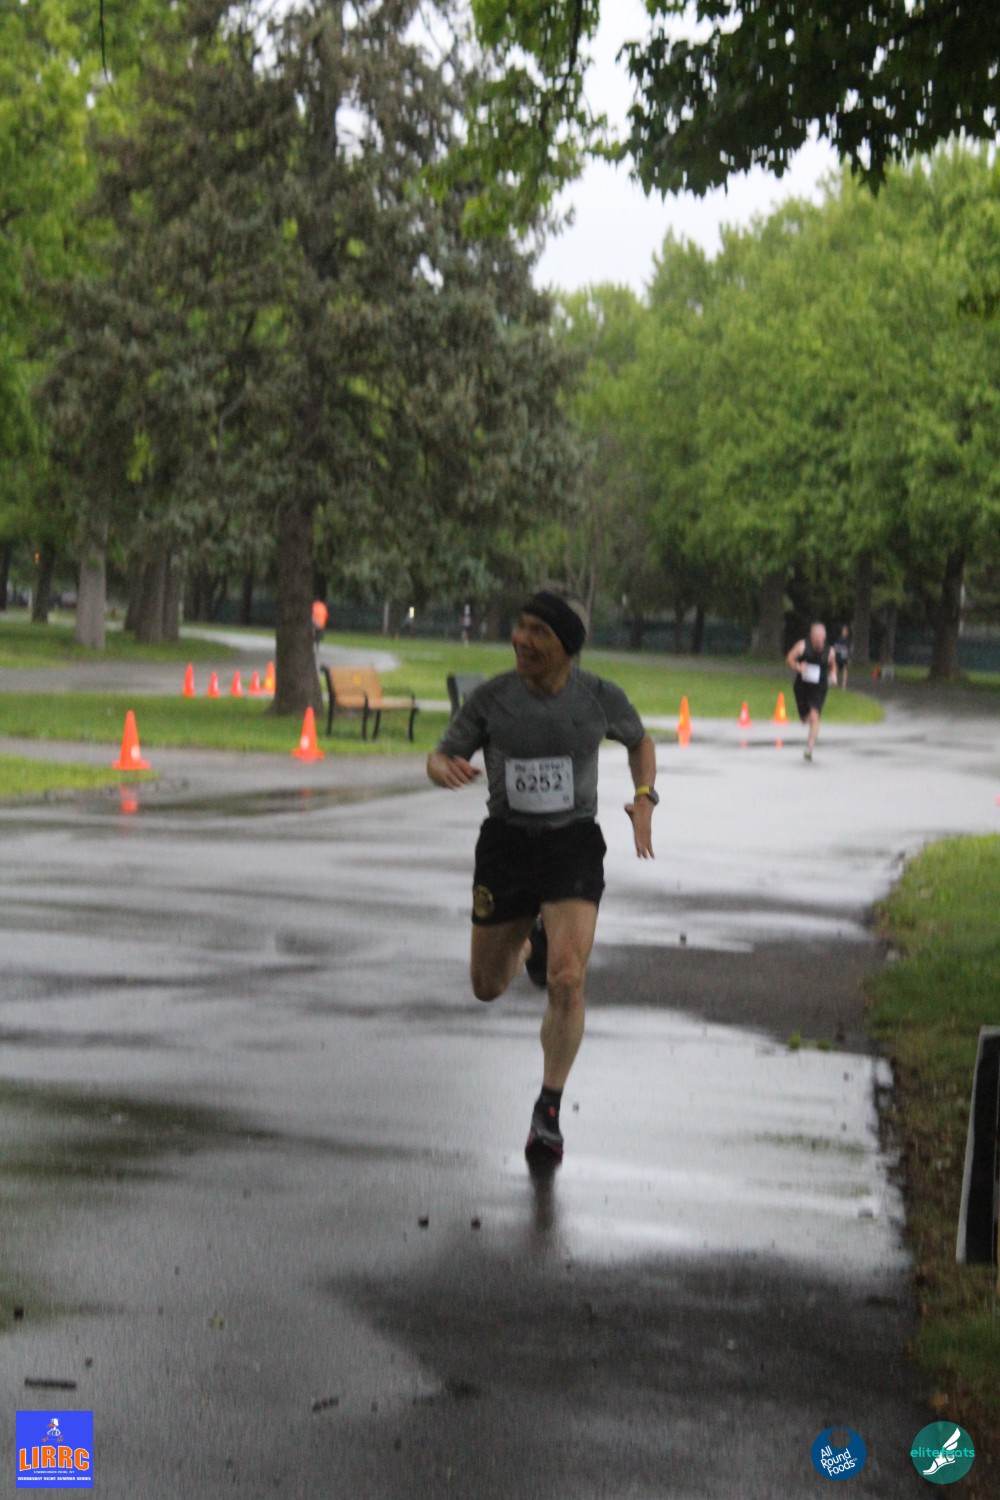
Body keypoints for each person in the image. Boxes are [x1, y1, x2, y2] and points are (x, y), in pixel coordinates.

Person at [426, 587, 658, 1167]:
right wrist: (441, 767)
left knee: (567, 977)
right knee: (486, 985)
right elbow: (440, 753)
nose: (521, 640)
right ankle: (529, 938)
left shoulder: (598, 697)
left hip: (571, 844)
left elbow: (639, 740)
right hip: (506, 846)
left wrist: (645, 797)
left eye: (538, 632)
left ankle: (548, 1110)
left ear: (566, 647)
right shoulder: (492, 699)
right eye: (520, 627)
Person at [786, 622, 838, 761]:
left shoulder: (830, 651)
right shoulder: (802, 646)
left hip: (819, 687)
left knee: (814, 716)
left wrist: (833, 675)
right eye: (816, 638)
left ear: (825, 637)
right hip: (802, 686)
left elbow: (833, 665)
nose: (819, 641)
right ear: (811, 636)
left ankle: (809, 749)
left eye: (821, 638)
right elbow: (789, 659)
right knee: (805, 718)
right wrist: (798, 666)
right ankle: (808, 721)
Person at [833, 623, 852, 689]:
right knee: (836, 667)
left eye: (845, 631)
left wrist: (847, 654)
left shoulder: (848, 640)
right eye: (843, 630)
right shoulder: (839, 639)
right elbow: (836, 646)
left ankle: (844, 684)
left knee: (845, 668)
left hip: (844, 655)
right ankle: (835, 681)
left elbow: (848, 648)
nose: (844, 632)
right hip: (838, 654)